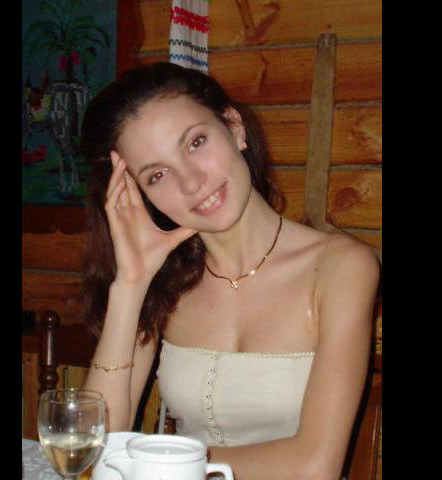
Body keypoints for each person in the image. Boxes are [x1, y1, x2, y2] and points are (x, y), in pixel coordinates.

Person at [80, 62, 380, 479]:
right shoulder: (165, 280)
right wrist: (130, 283)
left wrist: (158, 463)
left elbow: (316, 467)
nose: (191, 182)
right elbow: (95, 447)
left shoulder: (340, 267)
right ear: (140, 195)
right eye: (158, 175)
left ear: (235, 128)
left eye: (196, 142)